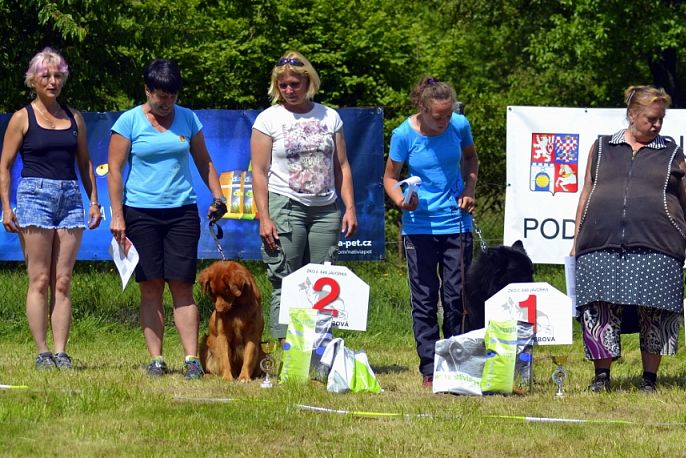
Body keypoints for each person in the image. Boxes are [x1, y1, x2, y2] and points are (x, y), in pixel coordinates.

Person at [571, 85, 686, 393]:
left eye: (660, 120)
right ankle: (601, 377)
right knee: (599, 309)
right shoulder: (602, 147)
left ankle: (649, 380)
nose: (656, 125)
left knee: (654, 312)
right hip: (599, 241)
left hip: (658, 242)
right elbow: (586, 193)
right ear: (632, 115)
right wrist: (577, 237)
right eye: (650, 119)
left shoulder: (670, 152)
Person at [107, 59, 226, 380]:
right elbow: (114, 170)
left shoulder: (189, 119)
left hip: (182, 213)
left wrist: (218, 196)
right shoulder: (128, 121)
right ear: (147, 90)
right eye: (160, 95)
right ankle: (157, 359)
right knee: (150, 287)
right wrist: (117, 215)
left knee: (182, 286)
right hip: (140, 213)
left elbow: (204, 161)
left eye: (171, 96)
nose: (166, 102)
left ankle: (191, 360)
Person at [0, 47, 101, 369]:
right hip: (33, 197)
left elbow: (85, 163)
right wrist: (6, 206)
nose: (53, 81)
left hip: (70, 198)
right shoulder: (21, 118)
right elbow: (4, 166)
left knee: (63, 279)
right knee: (40, 278)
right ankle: (42, 352)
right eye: (46, 76)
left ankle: (61, 351)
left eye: (58, 75)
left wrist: (94, 201)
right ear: (33, 80)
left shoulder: (74, 118)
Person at [251, 51, 357, 341]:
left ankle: (320, 352)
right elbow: (259, 172)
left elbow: (342, 166)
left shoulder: (330, 116)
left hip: (326, 209)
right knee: (284, 281)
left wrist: (349, 207)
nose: (289, 90)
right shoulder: (268, 119)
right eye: (283, 85)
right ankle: (283, 358)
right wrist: (265, 217)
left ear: (308, 81)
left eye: (295, 84)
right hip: (285, 206)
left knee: (323, 283)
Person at [383, 76, 479, 387]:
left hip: (456, 223)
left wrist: (469, 188)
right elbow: (389, 177)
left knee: (456, 297)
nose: (444, 122)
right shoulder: (403, 134)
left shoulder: (459, 125)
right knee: (424, 298)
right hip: (419, 227)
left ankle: (456, 363)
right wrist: (401, 200)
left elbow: (471, 158)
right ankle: (430, 368)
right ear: (423, 109)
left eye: (449, 115)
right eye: (438, 117)